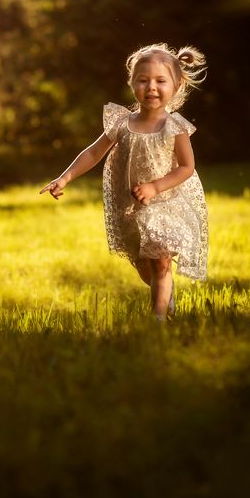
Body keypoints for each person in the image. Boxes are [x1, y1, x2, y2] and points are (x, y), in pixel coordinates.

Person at [39, 43, 208, 322]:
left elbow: (187, 167)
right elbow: (93, 153)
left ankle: (158, 319)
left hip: (164, 203)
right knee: (145, 267)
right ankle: (165, 295)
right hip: (130, 206)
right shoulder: (122, 124)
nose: (151, 87)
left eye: (160, 81)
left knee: (161, 262)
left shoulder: (175, 127)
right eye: (143, 80)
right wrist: (65, 177)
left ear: (176, 85)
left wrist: (155, 187)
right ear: (132, 83)